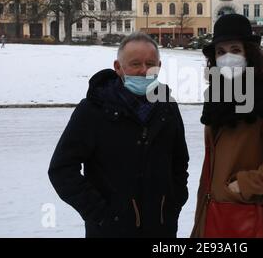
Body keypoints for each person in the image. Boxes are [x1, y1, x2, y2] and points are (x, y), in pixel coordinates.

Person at [49, 32, 189, 238]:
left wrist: (173, 204)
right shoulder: (93, 110)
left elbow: (179, 161)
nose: (143, 71)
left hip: (161, 230)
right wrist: (100, 214)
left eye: (150, 64)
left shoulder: (167, 108)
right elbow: (62, 169)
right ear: (118, 67)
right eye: (135, 64)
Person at [191, 14, 263, 238]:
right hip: (211, 212)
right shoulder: (217, 95)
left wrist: (243, 185)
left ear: (248, 53)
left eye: (235, 50)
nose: (227, 57)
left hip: (246, 217)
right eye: (221, 52)